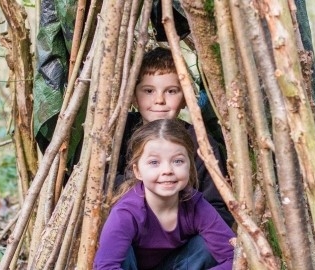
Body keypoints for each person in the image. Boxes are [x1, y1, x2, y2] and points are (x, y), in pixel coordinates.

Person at [115, 47, 234, 226]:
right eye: (149, 91)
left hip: (182, 237)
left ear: (186, 97)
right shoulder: (119, 132)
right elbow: (100, 182)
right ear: (133, 96)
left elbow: (218, 208)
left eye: (171, 91)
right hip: (131, 231)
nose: (159, 100)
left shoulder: (201, 143)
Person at [95, 119, 235, 269]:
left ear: (190, 165)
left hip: (175, 265)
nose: (167, 170)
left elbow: (233, 258)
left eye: (178, 161)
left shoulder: (196, 205)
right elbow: (105, 266)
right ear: (137, 171)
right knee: (123, 252)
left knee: (205, 246)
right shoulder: (126, 213)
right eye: (154, 162)